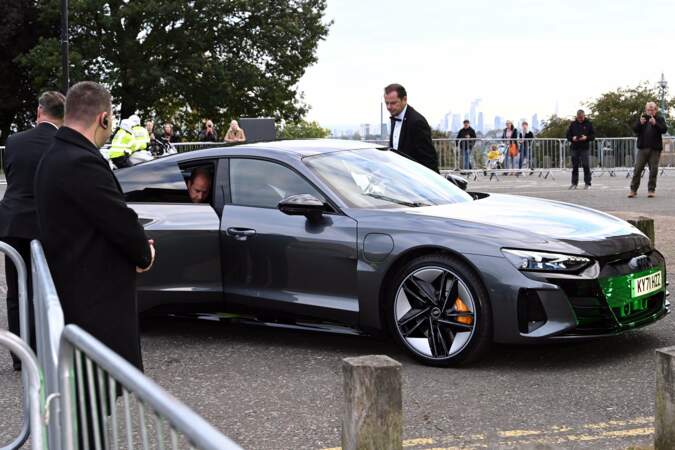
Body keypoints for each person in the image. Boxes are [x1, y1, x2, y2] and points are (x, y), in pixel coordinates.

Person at [34, 81, 155, 373]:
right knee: (92, 406)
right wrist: (145, 254)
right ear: (104, 118)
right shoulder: (81, 161)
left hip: (75, 296)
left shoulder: (56, 154)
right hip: (93, 306)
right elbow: (118, 220)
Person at [0, 91, 65, 371]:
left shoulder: (14, 141)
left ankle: (19, 354)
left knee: (16, 291)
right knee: (50, 289)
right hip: (46, 224)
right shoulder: (62, 143)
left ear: (40, 111)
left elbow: (13, 176)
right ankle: (48, 347)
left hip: (13, 223)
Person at [383, 83, 439, 172]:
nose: (389, 107)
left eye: (393, 103)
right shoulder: (395, 116)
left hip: (415, 179)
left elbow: (429, 159)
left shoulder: (417, 122)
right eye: (387, 103)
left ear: (404, 99)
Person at [628, 102, 668, 198]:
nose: (650, 111)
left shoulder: (660, 119)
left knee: (653, 170)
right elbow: (634, 129)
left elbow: (664, 129)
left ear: (655, 110)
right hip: (642, 148)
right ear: (646, 110)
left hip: (655, 149)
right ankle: (633, 190)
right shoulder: (642, 118)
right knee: (637, 169)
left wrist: (655, 124)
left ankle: (651, 190)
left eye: (652, 110)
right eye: (648, 110)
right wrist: (639, 123)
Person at [566, 109, 595, 189]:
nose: (580, 119)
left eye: (582, 117)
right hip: (575, 147)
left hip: (584, 148)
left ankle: (587, 183)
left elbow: (593, 136)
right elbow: (568, 136)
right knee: (575, 166)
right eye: (579, 117)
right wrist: (573, 138)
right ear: (577, 116)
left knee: (586, 165)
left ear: (584, 116)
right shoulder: (573, 124)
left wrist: (586, 137)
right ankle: (574, 183)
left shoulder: (589, 124)